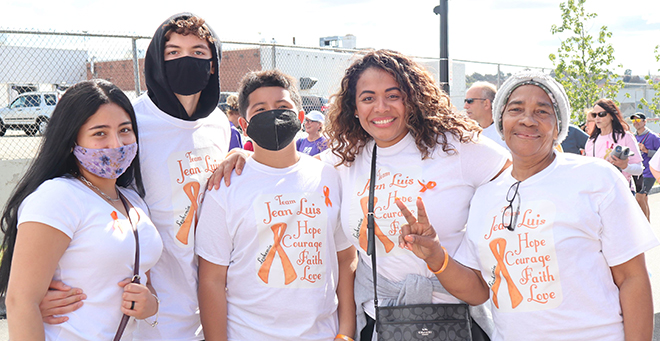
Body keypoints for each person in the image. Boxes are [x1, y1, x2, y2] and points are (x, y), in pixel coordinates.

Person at [209, 49, 510, 340]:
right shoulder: (345, 160)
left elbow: (515, 178)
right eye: (368, 98)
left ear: (413, 99)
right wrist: (244, 157)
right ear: (354, 107)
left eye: (393, 95)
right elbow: (290, 170)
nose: (381, 108)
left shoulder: (454, 147)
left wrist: (482, 240)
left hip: (450, 320)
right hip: (379, 322)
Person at [398, 71, 657, 340]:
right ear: (501, 121)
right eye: (516, 109)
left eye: (542, 111)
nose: (527, 120)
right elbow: (478, 290)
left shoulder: (597, 178)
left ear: (559, 126)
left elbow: (632, 278)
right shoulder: (485, 196)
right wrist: (435, 255)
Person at [39, 13, 231, 340]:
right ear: (157, 59)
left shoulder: (218, 123)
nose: (186, 59)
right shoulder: (132, 122)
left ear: (213, 64)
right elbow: (69, 195)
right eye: (173, 52)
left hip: (208, 302)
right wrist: (36, 288)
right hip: (144, 308)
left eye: (199, 52)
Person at [196, 69, 357, 340]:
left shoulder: (328, 176)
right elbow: (211, 279)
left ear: (301, 118)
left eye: (282, 106)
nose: (272, 114)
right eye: (260, 110)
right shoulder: (224, 186)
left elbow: (345, 259)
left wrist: (346, 332)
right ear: (244, 125)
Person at [0, 79, 163, 340]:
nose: (116, 143)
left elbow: (145, 280)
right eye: (100, 133)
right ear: (71, 139)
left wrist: (150, 304)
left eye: (125, 130)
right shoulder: (58, 197)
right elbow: (20, 302)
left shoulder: (133, 200)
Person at [584, 98, 643, 193]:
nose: (597, 118)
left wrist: (625, 166)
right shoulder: (591, 141)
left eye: (601, 114)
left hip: (622, 192)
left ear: (612, 116)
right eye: (594, 115)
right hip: (598, 192)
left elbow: (639, 169)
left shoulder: (626, 136)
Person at [630, 113, 660, 220]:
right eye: (634, 121)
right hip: (638, 171)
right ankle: (648, 226)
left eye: (638, 120)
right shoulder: (633, 137)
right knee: (643, 199)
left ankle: (645, 228)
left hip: (649, 172)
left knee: (639, 197)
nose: (635, 123)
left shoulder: (653, 137)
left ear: (644, 122)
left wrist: (646, 151)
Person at [464, 81, 508, 149]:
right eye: (465, 101)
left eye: (470, 101)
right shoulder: (467, 133)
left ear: (486, 104)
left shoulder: (506, 134)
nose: (465, 106)